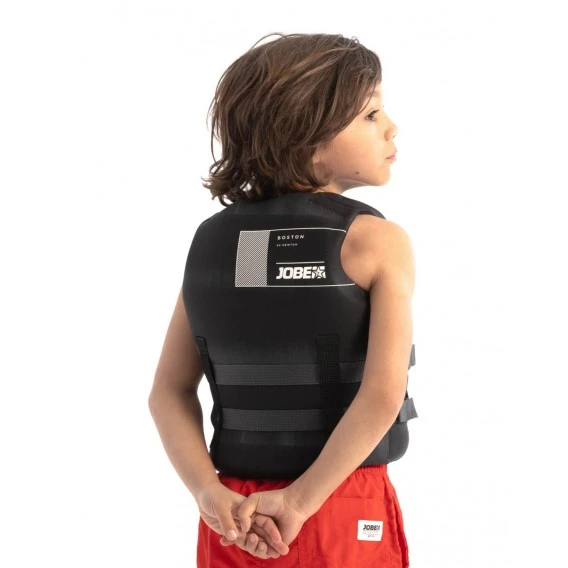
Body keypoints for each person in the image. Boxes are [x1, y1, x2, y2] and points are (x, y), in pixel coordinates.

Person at [148, 32, 417, 567]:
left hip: (233, 513)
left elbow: (168, 392)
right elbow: (383, 395)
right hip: (338, 499)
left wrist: (207, 492)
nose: (391, 127)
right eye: (370, 115)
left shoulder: (216, 244)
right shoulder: (373, 241)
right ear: (308, 136)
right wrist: (298, 502)